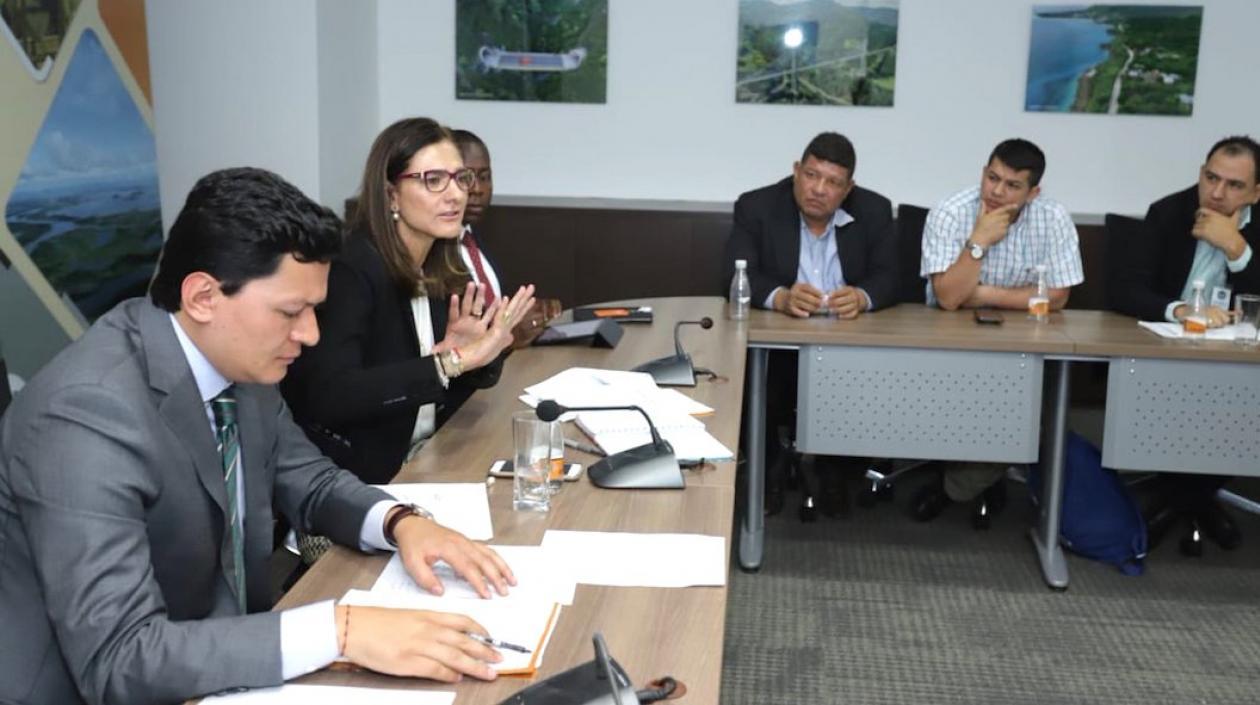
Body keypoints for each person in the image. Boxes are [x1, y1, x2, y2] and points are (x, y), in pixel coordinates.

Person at [0, 167, 519, 705]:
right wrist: (340, 632)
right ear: (202, 296)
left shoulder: (237, 356)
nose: (311, 334)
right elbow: (121, 658)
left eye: (314, 309)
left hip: (222, 660)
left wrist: (398, 522)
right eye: (291, 312)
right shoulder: (84, 414)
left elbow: (308, 478)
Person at [282, 118, 536, 486]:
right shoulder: (349, 269)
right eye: (433, 180)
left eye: (460, 178)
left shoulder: (440, 265)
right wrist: (448, 363)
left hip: (428, 465)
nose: (457, 195)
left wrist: (475, 357)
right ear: (390, 195)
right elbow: (331, 396)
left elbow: (433, 394)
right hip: (352, 486)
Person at [724, 131, 899, 519]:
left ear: (848, 188)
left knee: (860, 380)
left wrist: (863, 297)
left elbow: (890, 276)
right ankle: (766, 472)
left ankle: (835, 473)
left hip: (849, 347)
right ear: (796, 171)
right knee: (761, 384)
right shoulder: (757, 207)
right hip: (779, 347)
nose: (818, 189)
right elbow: (736, 271)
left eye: (832, 182)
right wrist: (781, 297)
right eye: (811, 175)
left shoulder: (873, 211)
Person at [915, 138, 1084, 527]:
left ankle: (959, 485)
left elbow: (1057, 296)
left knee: (1029, 402)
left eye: (1012, 185)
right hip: (946, 346)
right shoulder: (950, 212)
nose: (996, 191)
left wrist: (983, 295)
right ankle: (974, 478)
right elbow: (948, 297)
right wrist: (978, 243)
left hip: (1022, 348)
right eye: (992, 178)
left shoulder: (1052, 217)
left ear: (1033, 192)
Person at [1109, 135, 1260, 555]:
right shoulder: (1170, 212)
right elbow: (1125, 291)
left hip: (1244, 367)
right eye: (1211, 178)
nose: (1216, 192)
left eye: (1233, 185)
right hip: (1167, 358)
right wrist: (1180, 311)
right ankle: (1191, 499)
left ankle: (1179, 500)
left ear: (1256, 193)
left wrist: (1237, 250)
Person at [452, 128, 503, 301]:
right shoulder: (432, 252)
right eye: (466, 178)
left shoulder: (474, 240)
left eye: (484, 177)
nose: (477, 189)